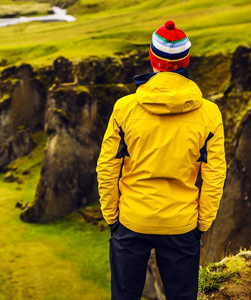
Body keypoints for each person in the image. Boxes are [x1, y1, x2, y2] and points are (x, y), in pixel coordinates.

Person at [96, 20, 226, 300]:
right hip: (182, 223)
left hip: (132, 220)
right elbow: (215, 174)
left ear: (153, 60)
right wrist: (202, 222)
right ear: (185, 61)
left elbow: (107, 167)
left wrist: (112, 217)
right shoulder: (210, 113)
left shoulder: (124, 108)